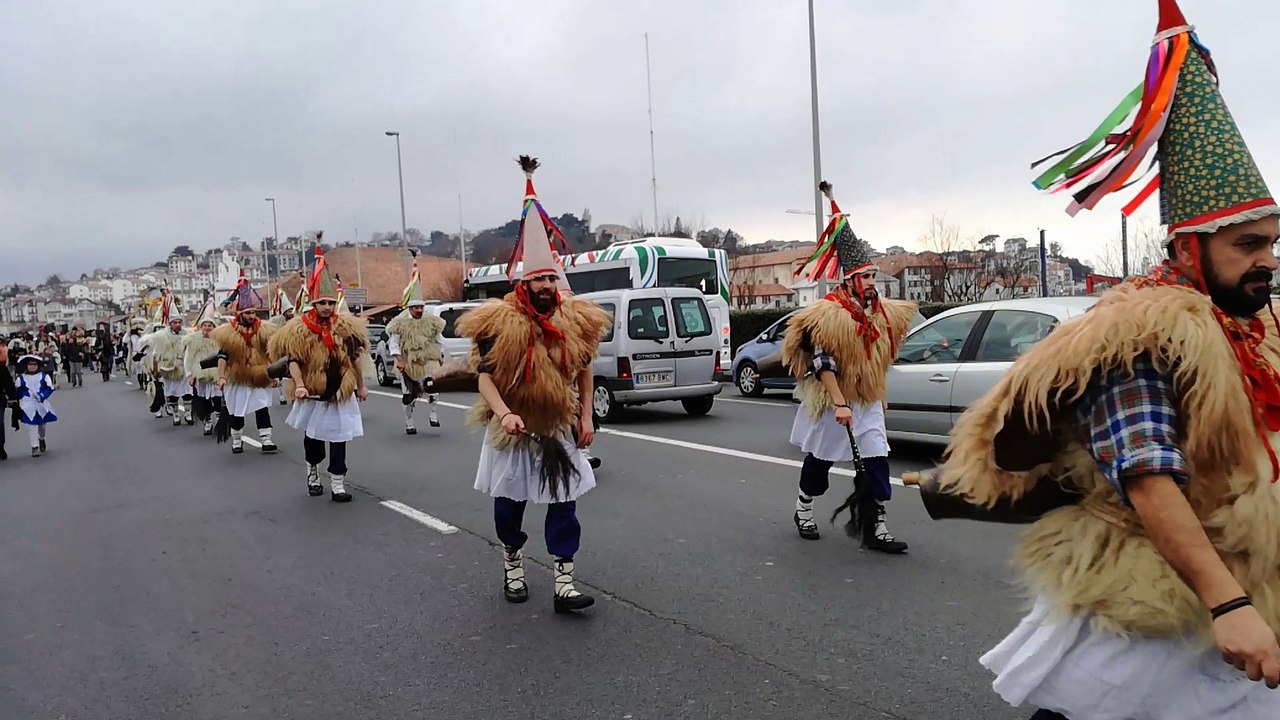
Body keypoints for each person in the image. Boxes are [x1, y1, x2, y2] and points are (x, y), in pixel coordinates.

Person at [906, 2, 1280, 717]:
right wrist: (1228, 602)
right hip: (1159, 601)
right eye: (1248, 246)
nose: (1267, 262)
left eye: (1271, 243)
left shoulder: (1254, 325)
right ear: (1185, 248)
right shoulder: (1140, 331)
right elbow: (1147, 473)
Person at [457, 156, 610, 614]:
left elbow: (584, 369)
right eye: (539, 278)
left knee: (565, 504)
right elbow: (484, 378)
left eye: (551, 277)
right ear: (525, 281)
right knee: (511, 508)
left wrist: (585, 415)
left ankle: (564, 582)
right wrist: (504, 412)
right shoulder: (497, 323)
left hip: (558, 426)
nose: (546, 284)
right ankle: (513, 561)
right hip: (513, 429)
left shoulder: (575, 320)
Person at [783, 181, 916, 553]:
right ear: (851, 280)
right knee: (820, 463)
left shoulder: (882, 315)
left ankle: (876, 528)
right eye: (866, 277)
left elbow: (882, 359)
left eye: (874, 277)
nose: (872, 284)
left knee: (876, 462)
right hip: (835, 400)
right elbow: (823, 363)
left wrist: (880, 394)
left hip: (867, 399)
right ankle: (803, 509)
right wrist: (840, 403)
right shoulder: (831, 315)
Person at [269, 248, 369, 501]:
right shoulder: (299, 329)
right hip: (312, 391)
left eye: (330, 303)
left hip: (339, 391)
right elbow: (293, 361)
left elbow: (354, 358)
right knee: (313, 438)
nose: (327, 307)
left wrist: (361, 385)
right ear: (314, 304)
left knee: (339, 437)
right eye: (322, 302)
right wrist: (300, 385)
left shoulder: (345, 327)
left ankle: (338, 483)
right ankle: (313, 472)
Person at [212, 272, 279, 454]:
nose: (252, 316)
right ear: (240, 313)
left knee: (262, 407)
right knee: (237, 410)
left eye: (253, 312)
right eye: (248, 313)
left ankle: (266, 439)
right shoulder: (228, 333)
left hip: (259, 375)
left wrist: (274, 375)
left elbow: (270, 354)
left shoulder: (264, 331)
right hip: (238, 377)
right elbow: (222, 357)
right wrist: (221, 377)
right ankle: (236, 440)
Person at [387, 263, 446, 435]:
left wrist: (440, 355)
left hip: (427, 361)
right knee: (408, 396)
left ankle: (433, 414)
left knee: (433, 387)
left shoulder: (430, 320)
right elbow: (394, 342)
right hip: (408, 362)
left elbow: (436, 339)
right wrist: (398, 359)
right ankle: (409, 422)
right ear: (410, 308)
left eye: (421, 307)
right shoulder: (400, 322)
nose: (419, 310)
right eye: (416, 308)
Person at [184, 302, 223, 437]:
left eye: (210, 325)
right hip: (200, 374)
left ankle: (219, 419)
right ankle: (207, 421)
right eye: (205, 325)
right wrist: (190, 374)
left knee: (218, 398)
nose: (207, 328)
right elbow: (188, 358)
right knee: (203, 399)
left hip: (216, 373)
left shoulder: (220, 341)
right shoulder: (193, 341)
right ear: (201, 327)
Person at [152, 312, 192, 426]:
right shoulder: (161, 336)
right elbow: (155, 354)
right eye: (175, 322)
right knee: (172, 393)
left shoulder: (188, 335)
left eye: (179, 322)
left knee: (187, 392)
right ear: (170, 324)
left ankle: (188, 414)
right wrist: (155, 369)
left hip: (184, 367)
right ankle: (176, 415)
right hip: (169, 368)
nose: (178, 324)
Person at [15, 354, 57, 457]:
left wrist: (42, 395)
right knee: (32, 424)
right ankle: (34, 447)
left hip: (41, 403)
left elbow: (49, 388)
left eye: (34, 364)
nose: (32, 366)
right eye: (30, 364)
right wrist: (24, 396)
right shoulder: (21, 378)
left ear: (38, 365)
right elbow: (17, 390)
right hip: (28, 404)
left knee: (42, 425)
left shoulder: (44, 376)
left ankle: (41, 439)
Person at [268, 306, 296, 405]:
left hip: (292, 349)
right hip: (280, 350)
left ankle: (293, 394)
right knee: (280, 372)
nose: (291, 313)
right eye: (289, 311)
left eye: (292, 311)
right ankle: (281, 395)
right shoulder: (277, 321)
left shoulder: (296, 321)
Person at [0, 343, 13, 460]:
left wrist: (13, 397)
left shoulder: (1, 367)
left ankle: (0, 447)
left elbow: (8, 383)